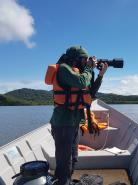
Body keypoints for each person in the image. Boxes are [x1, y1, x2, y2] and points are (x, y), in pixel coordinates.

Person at [45, 45, 108, 185]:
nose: (86, 62)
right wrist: (89, 68)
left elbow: (90, 93)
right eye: (84, 59)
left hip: (73, 124)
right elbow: (81, 82)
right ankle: (62, 181)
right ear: (75, 59)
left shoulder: (80, 72)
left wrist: (101, 75)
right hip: (62, 124)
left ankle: (66, 181)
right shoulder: (63, 69)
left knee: (73, 158)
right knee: (64, 162)